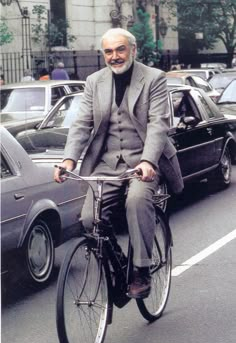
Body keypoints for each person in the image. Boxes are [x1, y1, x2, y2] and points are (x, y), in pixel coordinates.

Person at [54, 28, 183, 299]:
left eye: (120, 49)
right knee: (90, 219)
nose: (115, 56)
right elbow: (82, 124)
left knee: (136, 201)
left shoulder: (154, 78)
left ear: (133, 50)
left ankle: (141, 270)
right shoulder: (93, 81)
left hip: (143, 162)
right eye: (109, 51)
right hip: (107, 164)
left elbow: (158, 124)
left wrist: (148, 161)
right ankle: (121, 262)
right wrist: (68, 160)